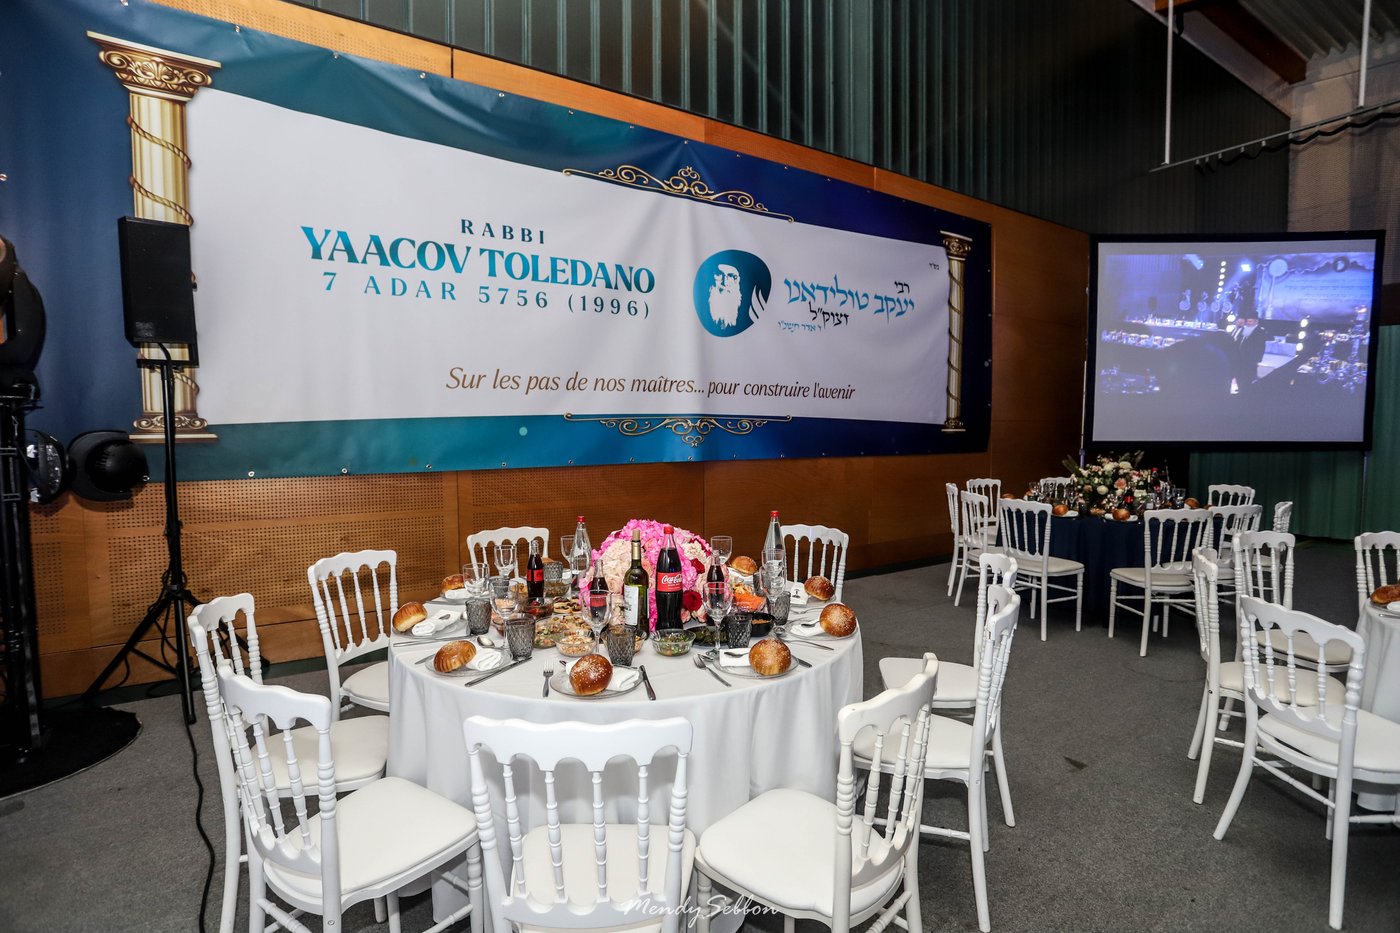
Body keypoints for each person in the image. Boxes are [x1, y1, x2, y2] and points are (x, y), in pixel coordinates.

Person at [1231, 316, 1267, 391]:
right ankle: (1241, 388)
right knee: (1239, 374)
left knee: (1248, 375)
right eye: (1247, 321)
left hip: (1250, 359)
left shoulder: (1260, 331)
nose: (1248, 323)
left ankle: (1246, 390)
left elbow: (1261, 347)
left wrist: (1258, 359)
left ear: (1256, 322)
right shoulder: (1244, 330)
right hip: (1240, 358)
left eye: (1250, 321)